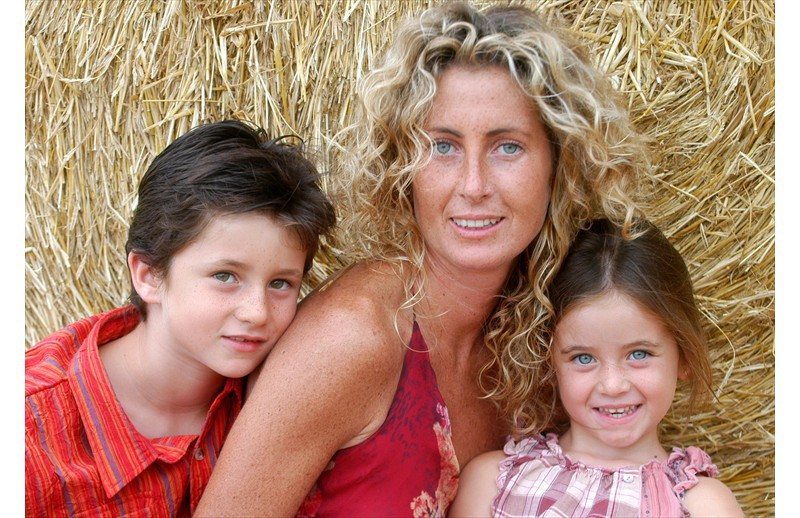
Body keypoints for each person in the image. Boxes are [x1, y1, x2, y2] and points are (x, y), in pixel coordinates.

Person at [195, 3, 648, 516]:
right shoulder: (353, 337)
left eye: (507, 147)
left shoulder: (547, 346)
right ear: (402, 167)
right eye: (443, 147)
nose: (473, 185)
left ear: (558, 165)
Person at [24, 119, 337, 517]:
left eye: (281, 283)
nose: (257, 312)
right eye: (225, 276)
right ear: (149, 276)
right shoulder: (29, 435)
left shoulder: (284, 397)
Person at [449, 219, 744, 517]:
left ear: (685, 357)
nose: (613, 386)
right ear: (550, 363)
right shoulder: (493, 482)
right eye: (583, 358)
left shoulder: (702, 506)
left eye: (639, 354)